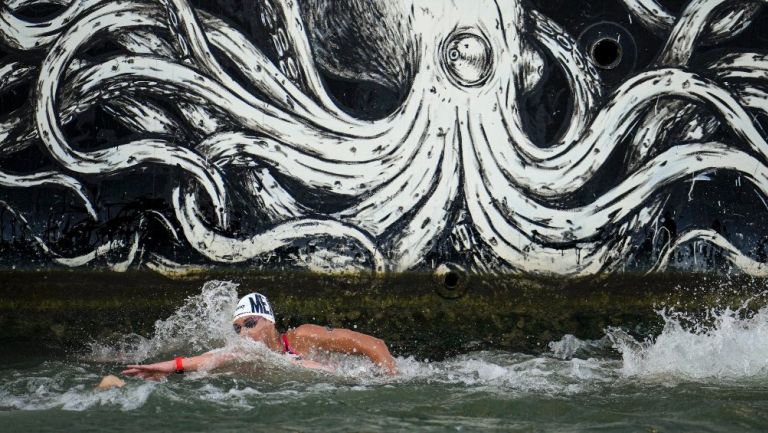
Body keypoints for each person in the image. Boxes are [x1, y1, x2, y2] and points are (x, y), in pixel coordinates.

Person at [103, 292, 396, 387]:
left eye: (250, 323)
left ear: (269, 321)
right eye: (238, 328)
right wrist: (165, 367)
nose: (244, 334)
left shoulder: (303, 338)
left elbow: (375, 345)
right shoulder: (246, 353)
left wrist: (389, 380)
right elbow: (209, 359)